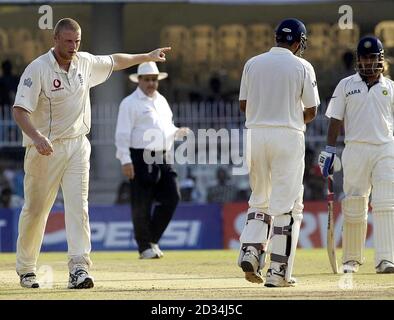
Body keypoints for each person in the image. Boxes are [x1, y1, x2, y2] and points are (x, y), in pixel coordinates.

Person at [12, 17, 171, 289]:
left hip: (77, 145)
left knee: (79, 207)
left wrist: (146, 56)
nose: (73, 46)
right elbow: (19, 110)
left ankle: (79, 268)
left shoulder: (84, 62)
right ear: (55, 40)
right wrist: (37, 137)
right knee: (36, 210)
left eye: (77, 41)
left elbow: (115, 60)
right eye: (68, 41)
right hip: (44, 148)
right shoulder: (37, 69)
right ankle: (27, 268)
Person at [237, 18, 320, 287]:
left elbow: (243, 105)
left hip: (255, 135)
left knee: (259, 199)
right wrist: (290, 116)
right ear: (297, 42)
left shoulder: (253, 63)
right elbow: (312, 110)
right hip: (288, 136)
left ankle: (250, 250)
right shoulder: (302, 66)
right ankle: (277, 273)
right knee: (287, 206)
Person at [319, 36, 394, 274]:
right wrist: (330, 150)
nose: (368, 61)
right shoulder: (346, 85)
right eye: (364, 57)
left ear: (381, 60)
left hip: (385, 149)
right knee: (353, 203)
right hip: (355, 149)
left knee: (385, 203)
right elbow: (335, 121)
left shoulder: (390, 87)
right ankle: (351, 259)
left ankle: (386, 260)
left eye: (373, 57)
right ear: (358, 59)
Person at [115, 61, 189, 259]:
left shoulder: (161, 101)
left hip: (163, 155)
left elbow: (167, 127)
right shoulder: (129, 103)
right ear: (138, 80)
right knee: (142, 202)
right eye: (147, 80)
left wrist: (177, 132)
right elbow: (122, 134)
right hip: (140, 155)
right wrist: (125, 159)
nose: (151, 83)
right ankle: (144, 247)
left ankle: (152, 239)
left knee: (173, 197)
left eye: (154, 80)